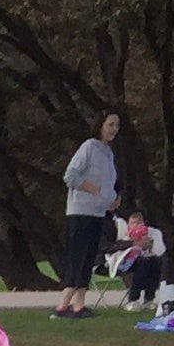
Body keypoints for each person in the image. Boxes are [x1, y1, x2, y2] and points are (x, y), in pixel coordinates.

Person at [56, 112, 120, 317]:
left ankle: (79, 305)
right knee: (77, 257)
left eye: (117, 125)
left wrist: (110, 201)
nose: (113, 129)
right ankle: (62, 305)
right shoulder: (89, 147)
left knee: (89, 257)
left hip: (98, 213)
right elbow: (71, 176)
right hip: (80, 212)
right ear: (100, 125)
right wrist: (93, 190)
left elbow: (108, 183)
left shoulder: (108, 153)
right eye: (110, 124)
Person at [114, 211, 167, 306]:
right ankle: (133, 298)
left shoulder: (152, 233)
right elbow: (121, 251)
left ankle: (149, 297)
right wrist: (133, 242)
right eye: (133, 223)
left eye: (139, 223)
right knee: (143, 263)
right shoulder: (124, 236)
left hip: (148, 261)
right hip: (127, 263)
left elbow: (160, 251)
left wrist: (151, 246)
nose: (136, 226)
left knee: (155, 262)